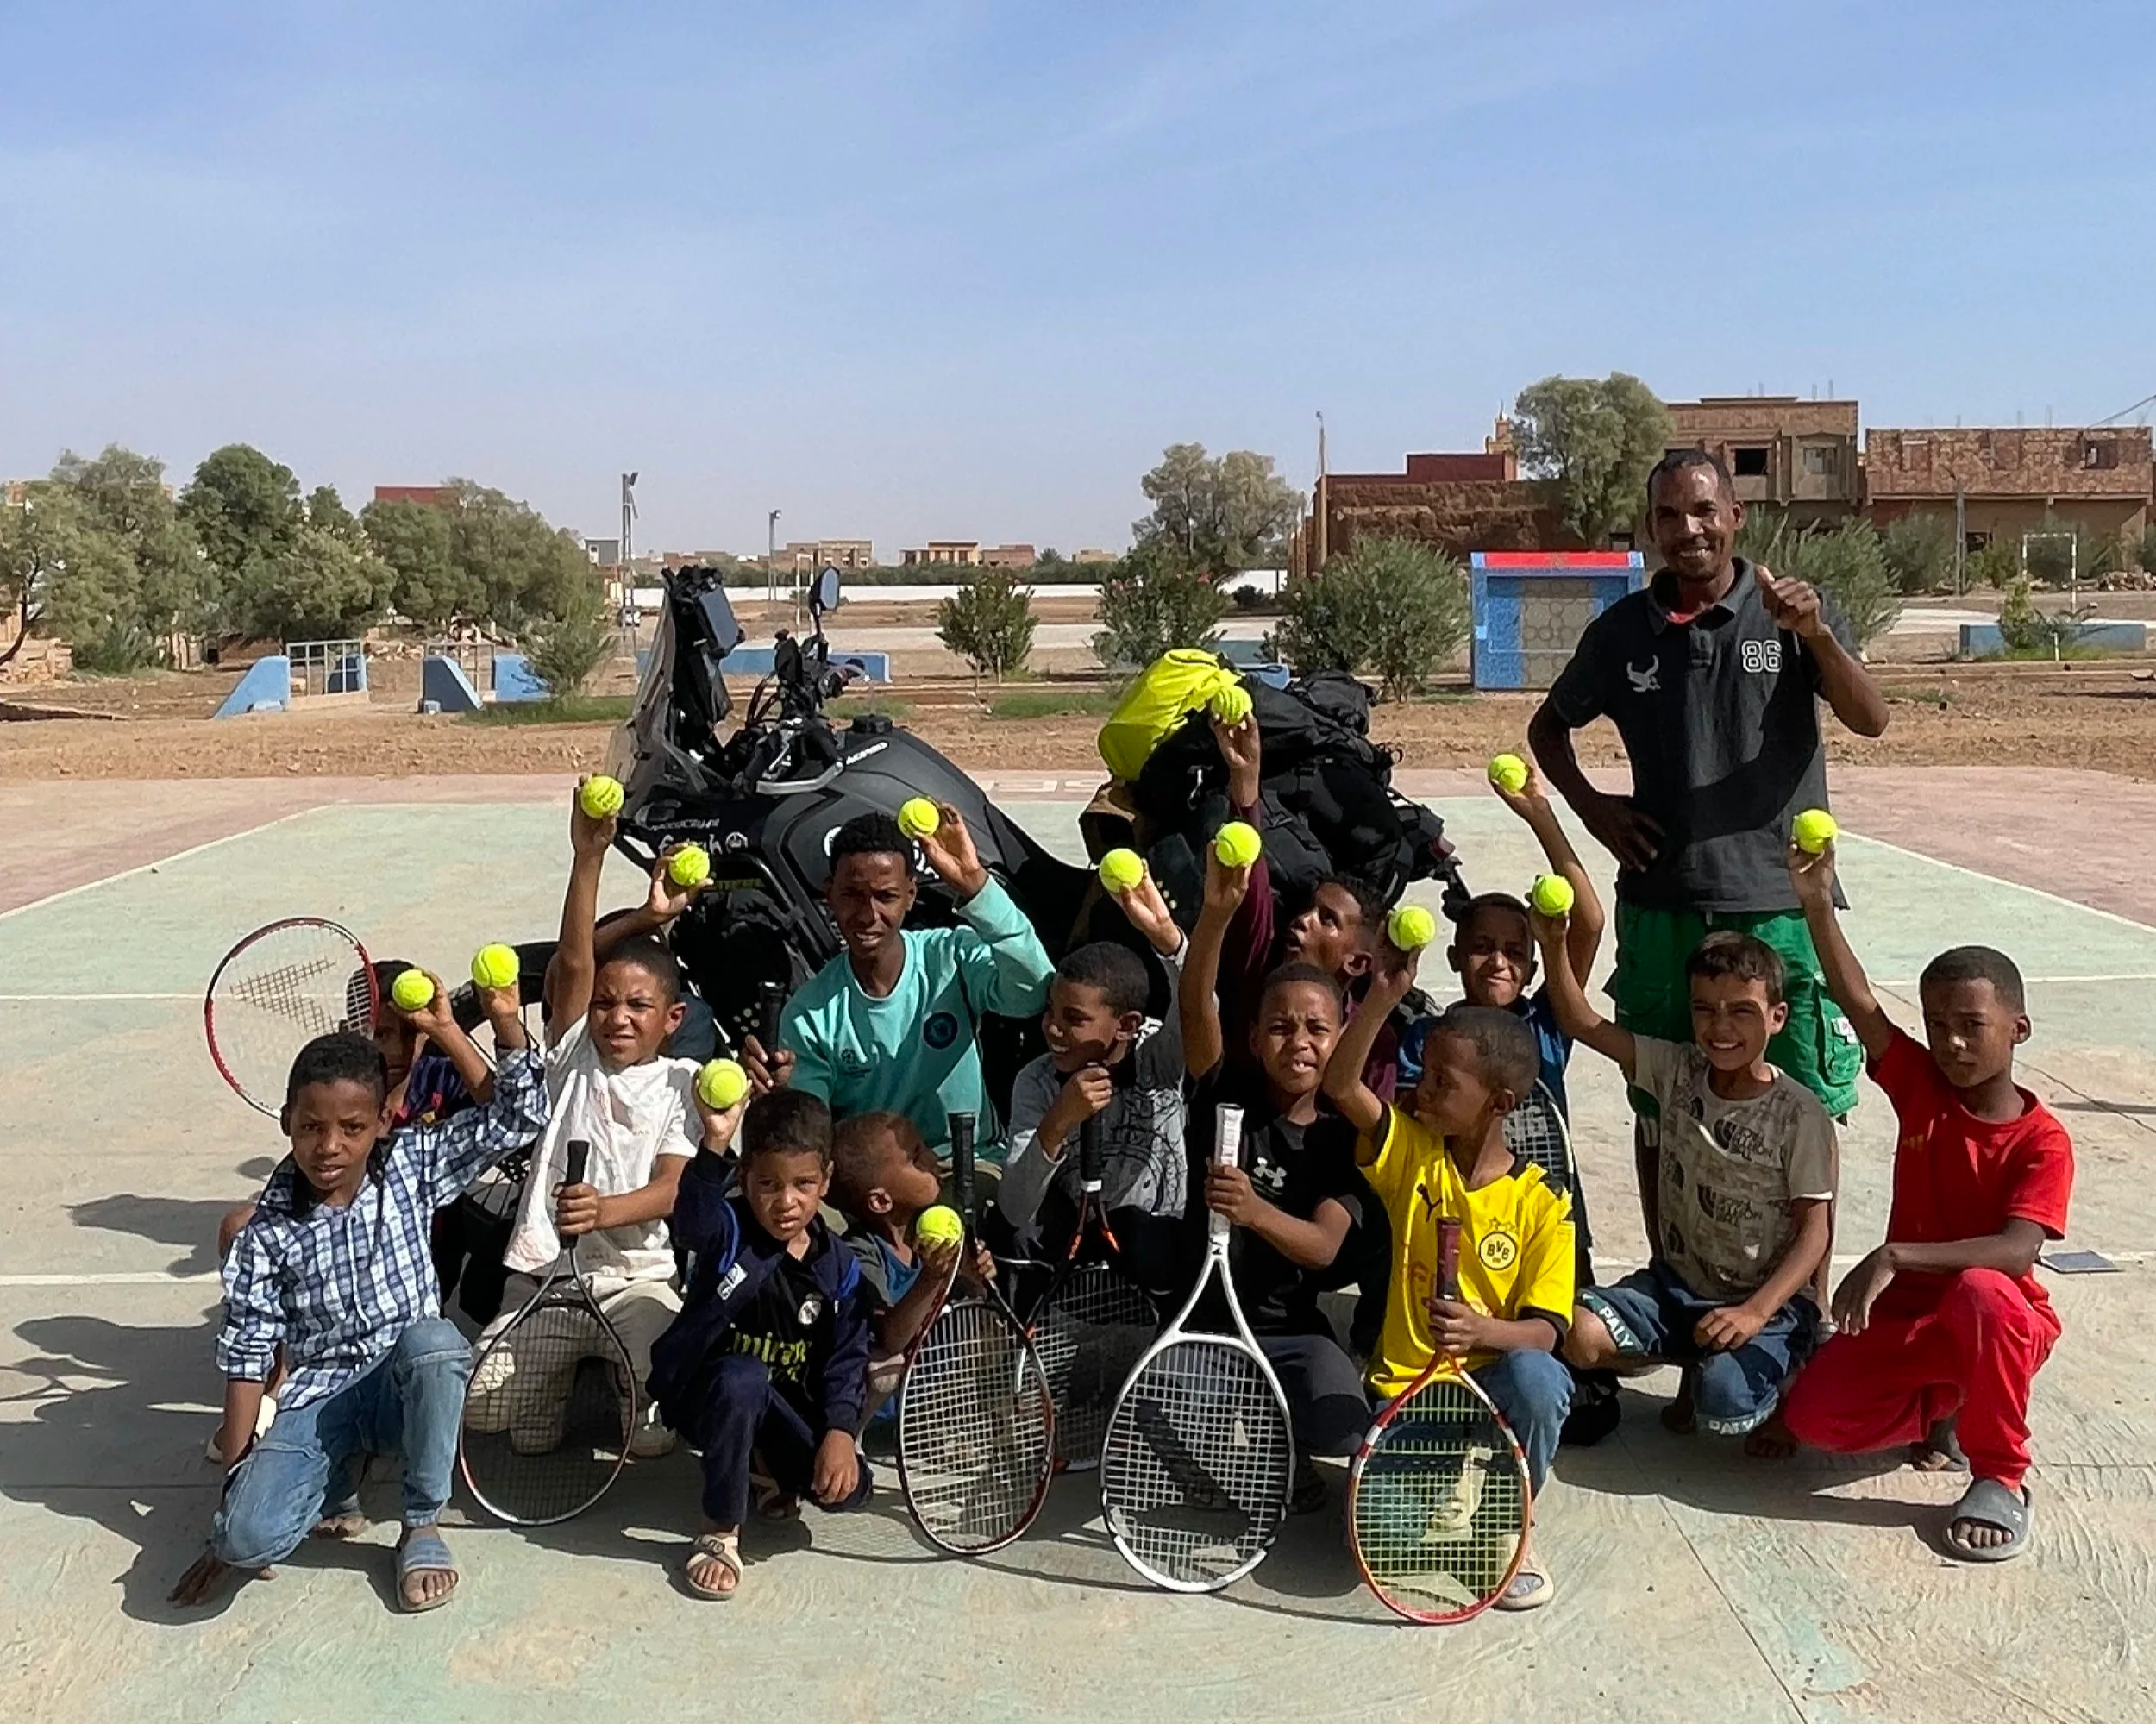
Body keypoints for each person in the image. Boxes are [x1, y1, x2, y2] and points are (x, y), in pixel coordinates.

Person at [1527, 448, 1888, 1312]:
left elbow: (1871, 719)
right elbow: (1548, 731)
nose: (1687, 531)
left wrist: (1818, 633)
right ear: (1649, 529)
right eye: (1668, 517)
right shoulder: (1620, 634)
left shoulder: (1787, 613)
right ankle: (1677, 1293)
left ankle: (1797, 1317)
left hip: (1777, 905)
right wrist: (1598, 812)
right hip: (1662, 904)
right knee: (1663, 1107)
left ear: (1734, 518)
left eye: (1702, 513)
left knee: (1799, 1109)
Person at [171, 978, 545, 1613]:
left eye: (351, 1126)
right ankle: (338, 1473)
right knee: (245, 1538)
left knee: (435, 1343)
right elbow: (246, 1356)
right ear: (288, 1121)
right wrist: (233, 1490)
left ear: (379, 1124)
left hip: (403, 1382)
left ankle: (421, 1519)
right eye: (312, 1126)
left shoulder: (410, 1164)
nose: (329, 1145)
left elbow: (520, 1114)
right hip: (323, 1394)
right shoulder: (266, 1231)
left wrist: (494, 1023)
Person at [1775, 840, 2072, 1561]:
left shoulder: (2043, 1140)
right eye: (1938, 1024)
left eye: (1972, 1025)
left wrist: (1895, 1252)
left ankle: (2001, 1474)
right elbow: (1859, 1001)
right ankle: (1945, 1401)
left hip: (2000, 1318)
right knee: (1814, 1420)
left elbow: (2019, 1249)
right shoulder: (1923, 1091)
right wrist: (1816, 901)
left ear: (2017, 1029)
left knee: (1983, 1291)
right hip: (1916, 1319)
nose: (1951, 1041)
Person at [1326, 964, 1576, 1611]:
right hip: (1409, 1398)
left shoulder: (1545, 1202)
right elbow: (1341, 1082)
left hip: (1491, 1392)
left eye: (1443, 1081)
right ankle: (1447, 1486)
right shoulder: (1411, 1151)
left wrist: (1482, 1330)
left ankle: (1506, 1522)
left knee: (1538, 1379)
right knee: (1374, 1537)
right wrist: (1381, 997)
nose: (1422, 1088)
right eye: (1424, 1071)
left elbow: (1548, 1330)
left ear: (1500, 1102)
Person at [1535, 912, 1834, 1448]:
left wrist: (1754, 1311)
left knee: (1722, 1406)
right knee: (1579, 1334)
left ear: (1777, 1017)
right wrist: (1555, 944)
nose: (1721, 1028)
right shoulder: (1675, 1069)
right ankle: (1696, 1354)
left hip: (1767, 1304)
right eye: (1706, 1010)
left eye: (1742, 1012)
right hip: (1678, 1288)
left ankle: (1787, 1374)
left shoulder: (1800, 1115)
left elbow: (1815, 1233)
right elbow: (1581, 1022)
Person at [467, 782, 704, 1459]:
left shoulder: (682, 1082)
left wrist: (602, 1210)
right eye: (605, 1003)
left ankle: (623, 1380)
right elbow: (574, 960)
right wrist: (588, 856)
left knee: (658, 1439)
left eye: (638, 1005)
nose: (618, 1017)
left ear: (671, 1020)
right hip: (548, 1278)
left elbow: (671, 1189)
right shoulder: (571, 1056)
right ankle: (558, 1382)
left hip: (638, 1282)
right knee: (489, 1409)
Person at [1184, 842, 1369, 1510]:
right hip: (1205, 1322)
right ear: (1256, 1038)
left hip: (1290, 1327)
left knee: (1343, 1422)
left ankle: (1283, 1440)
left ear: (1340, 1036)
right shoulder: (1227, 1095)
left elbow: (1324, 1246)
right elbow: (1196, 1004)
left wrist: (1252, 1209)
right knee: (1168, 1413)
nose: (1299, 1041)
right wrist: (1214, 915)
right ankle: (1252, 1449)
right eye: (1280, 1027)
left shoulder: (1342, 1135)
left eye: (1316, 1028)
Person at [649, 1089, 873, 1600]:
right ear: (745, 1175)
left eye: (803, 1185)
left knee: (848, 1491)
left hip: (780, 1408)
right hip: (706, 1399)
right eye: (768, 1184)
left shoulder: (838, 1266)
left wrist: (841, 1432)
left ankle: (766, 1469)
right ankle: (721, 1527)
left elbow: (847, 1357)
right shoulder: (730, 1229)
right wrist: (714, 1144)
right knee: (742, 1376)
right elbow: (691, 1224)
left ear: (827, 1181)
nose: (785, 1201)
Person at [753, 808, 1054, 1160]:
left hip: (972, 1163)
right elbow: (812, 1135)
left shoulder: (950, 956)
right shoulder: (809, 1013)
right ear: (829, 893)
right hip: (874, 1183)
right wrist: (786, 1094)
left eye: (886, 896)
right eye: (852, 895)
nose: (868, 915)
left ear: (911, 894)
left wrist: (978, 888)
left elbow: (1033, 992)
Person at [998, 863, 1188, 1276]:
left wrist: (1171, 943)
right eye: (1050, 1011)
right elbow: (1014, 1208)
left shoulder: (1159, 1054)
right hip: (1073, 1241)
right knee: (1013, 1234)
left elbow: (1199, 1009)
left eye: (1074, 1018)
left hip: (1151, 1242)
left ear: (1128, 1026)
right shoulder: (1038, 1081)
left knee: (1144, 1232)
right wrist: (1058, 1122)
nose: (1052, 1027)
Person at [1210, 708, 1400, 1098]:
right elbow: (1253, 891)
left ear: (1358, 963)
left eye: (1327, 920)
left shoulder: (1375, 1040)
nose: (1302, 921)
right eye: (1310, 909)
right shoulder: (1259, 970)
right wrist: (1245, 787)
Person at [829, 1110, 998, 1432]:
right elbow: (890, 1339)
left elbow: (979, 1315)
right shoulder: (860, 1253)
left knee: (988, 1325)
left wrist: (976, 1280)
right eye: (917, 1156)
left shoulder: (936, 1236)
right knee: (884, 1362)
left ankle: (964, 1418)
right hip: (885, 1408)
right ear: (881, 1201)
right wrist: (934, 1276)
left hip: (936, 1398)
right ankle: (853, 1439)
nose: (933, 1159)